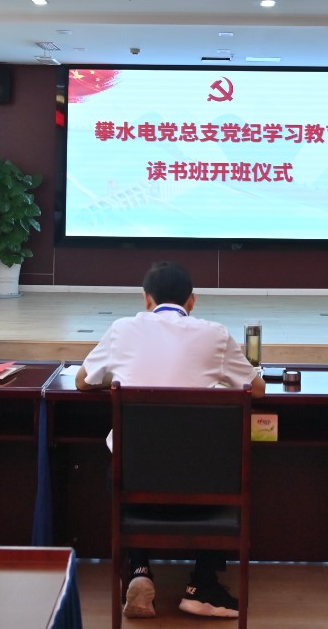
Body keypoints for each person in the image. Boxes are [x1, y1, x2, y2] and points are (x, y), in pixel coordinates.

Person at [78, 261, 265, 621]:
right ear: (192, 301)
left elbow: (82, 381)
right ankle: (202, 586)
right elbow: (256, 389)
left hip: (134, 491)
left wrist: (118, 376)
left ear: (146, 299)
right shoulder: (215, 335)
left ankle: (139, 570)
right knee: (228, 466)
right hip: (203, 494)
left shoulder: (121, 330)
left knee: (129, 462)